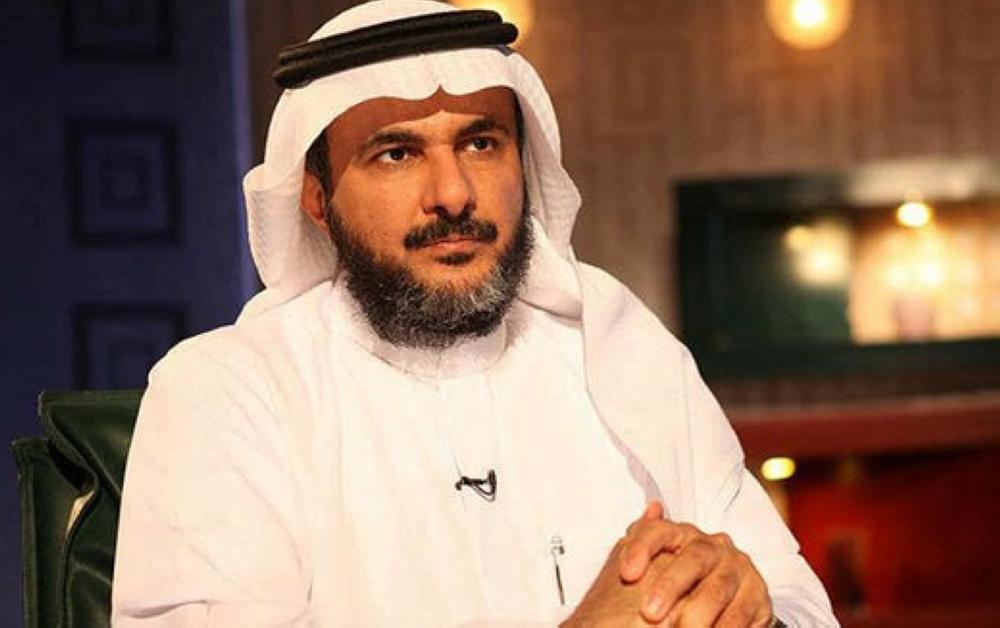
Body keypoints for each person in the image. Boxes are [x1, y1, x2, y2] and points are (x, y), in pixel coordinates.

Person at [112, 1, 837, 626]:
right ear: (316, 200)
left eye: (481, 143)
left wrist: (748, 605)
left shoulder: (621, 347)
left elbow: (799, 601)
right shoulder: (229, 391)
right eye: (396, 154)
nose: (453, 194)